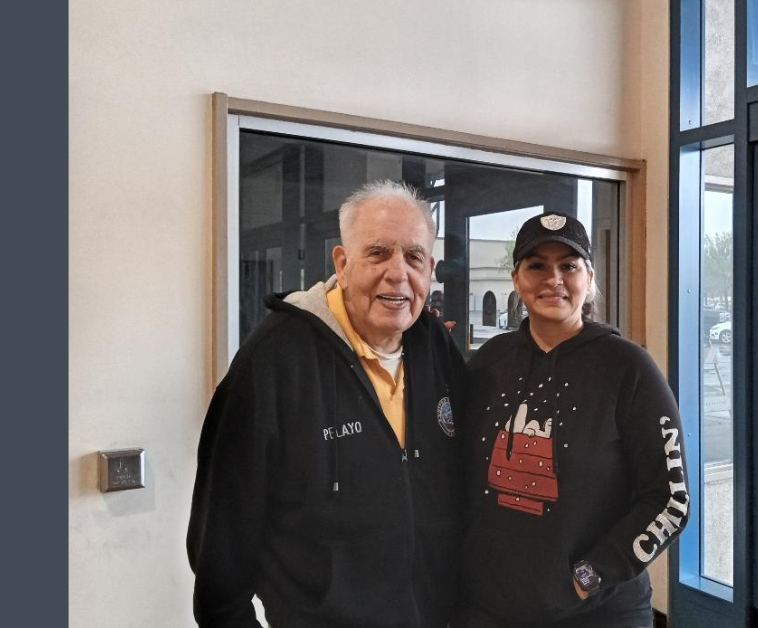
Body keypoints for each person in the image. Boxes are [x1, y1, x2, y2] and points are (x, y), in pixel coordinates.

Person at [187, 180, 465, 628]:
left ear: (430, 268)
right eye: (378, 252)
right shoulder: (275, 359)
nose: (398, 273)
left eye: (414, 256)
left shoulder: (436, 346)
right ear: (342, 261)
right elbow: (220, 543)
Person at [453, 213, 690, 628]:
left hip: (597, 612)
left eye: (568, 265)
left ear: (589, 276)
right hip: (489, 610)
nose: (554, 278)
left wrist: (587, 578)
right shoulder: (488, 362)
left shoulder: (628, 367)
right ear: (516, 278)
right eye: (537, 265)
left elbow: (671, 500)